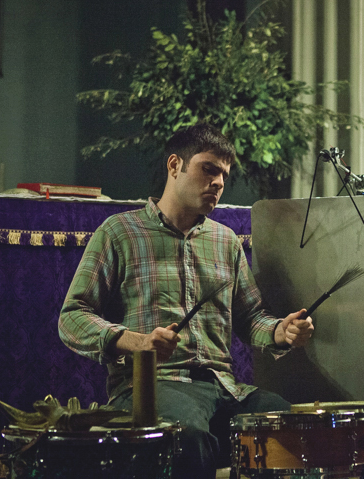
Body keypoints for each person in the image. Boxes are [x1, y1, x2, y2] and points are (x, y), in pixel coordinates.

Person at [58, 123, 314, 478]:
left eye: (224, 175)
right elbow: (72, 317)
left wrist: (280, 332)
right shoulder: (120, 233)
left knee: (291, 425)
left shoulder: (225, 241)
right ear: (175, 165)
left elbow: (251, 317)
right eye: (209, 169)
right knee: (187, 439)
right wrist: (137, 342)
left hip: (223, 386)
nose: (219, 182)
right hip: (152, 386)